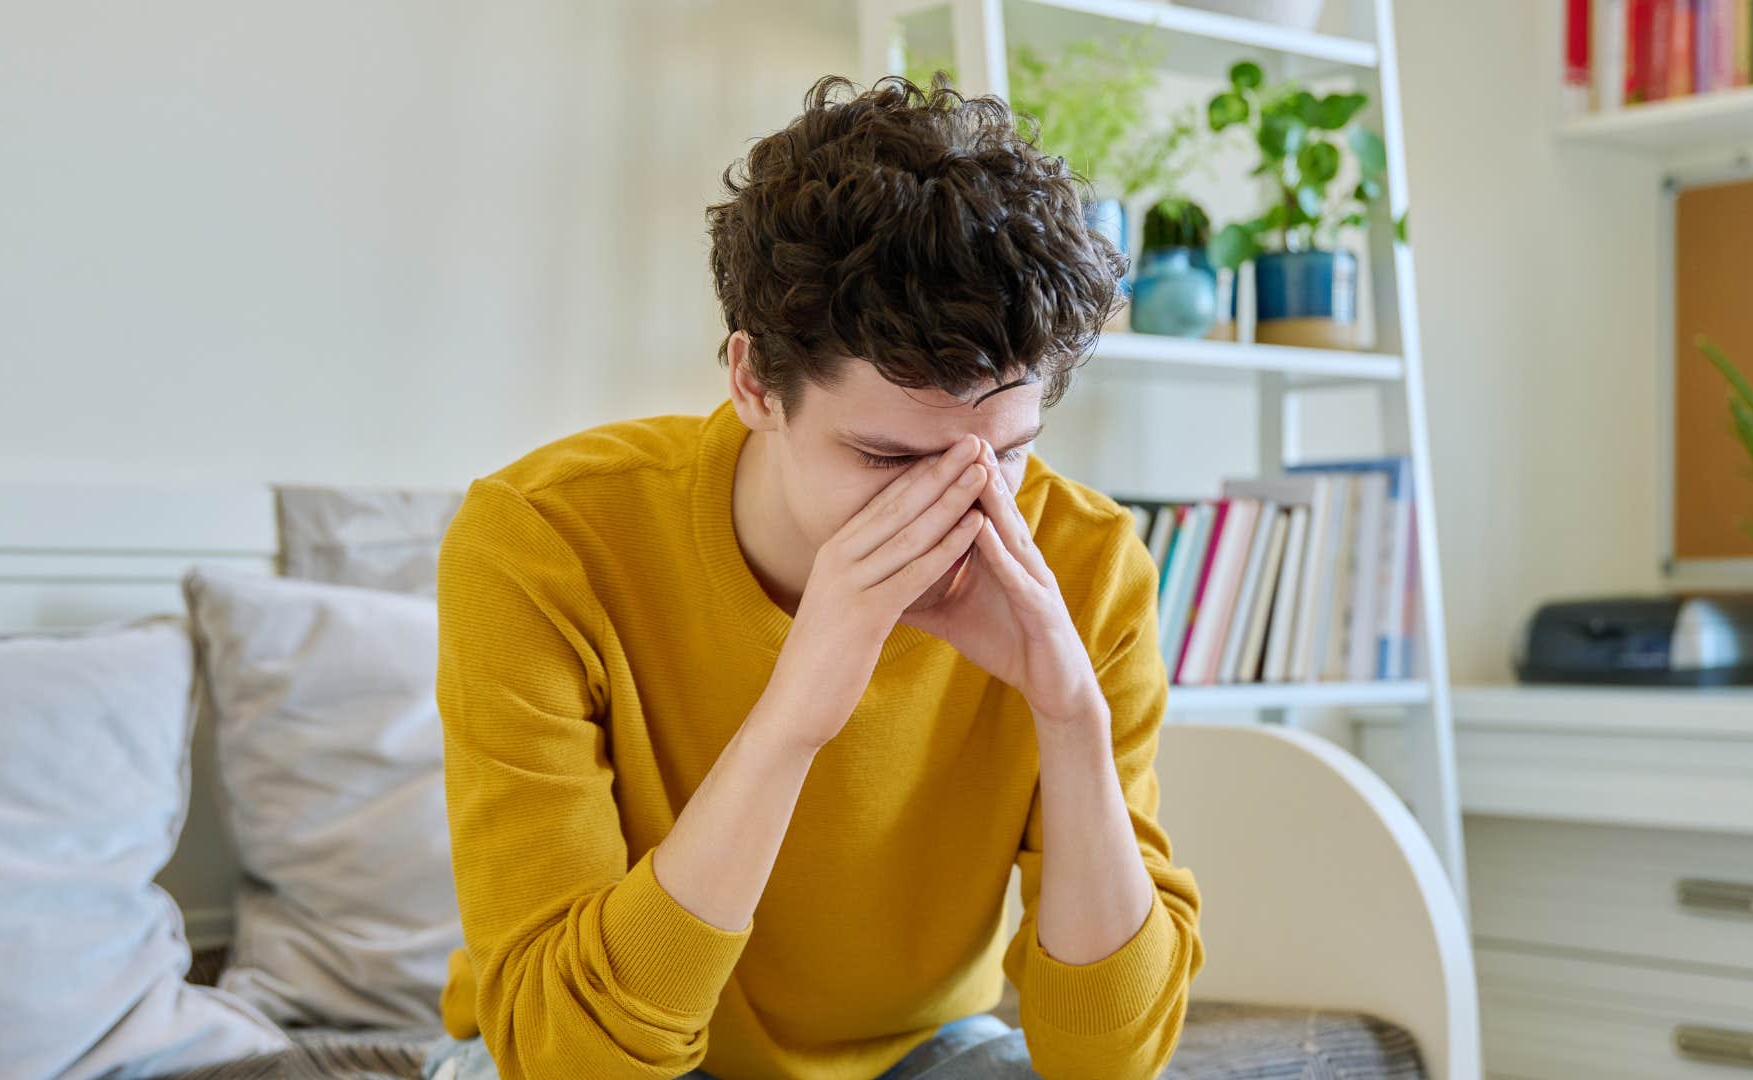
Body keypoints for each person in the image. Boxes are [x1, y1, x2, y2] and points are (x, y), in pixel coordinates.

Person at [420, 71, 1203, 1080]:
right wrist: (795, 715)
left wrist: (1070, 719)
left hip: (922, 1053)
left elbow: (1110, 1063)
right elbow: (570, 1056)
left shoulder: (1088, 566)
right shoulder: (544, 542)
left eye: (1004, 452)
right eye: (886, 459)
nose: (963, 510)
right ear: (753, 382)